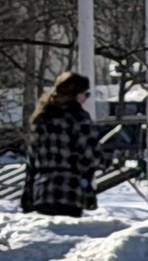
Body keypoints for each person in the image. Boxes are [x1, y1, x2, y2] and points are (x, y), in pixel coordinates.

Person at [21, 72, 98, 216]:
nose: (85, 99)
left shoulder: (41, 117)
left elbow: (31, 158)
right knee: (68, 234)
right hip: (70, 190)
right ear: (76, 94)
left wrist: (28, 190)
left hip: (42, 191)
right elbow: (90, 154)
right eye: (85, 94)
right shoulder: (78, 117)